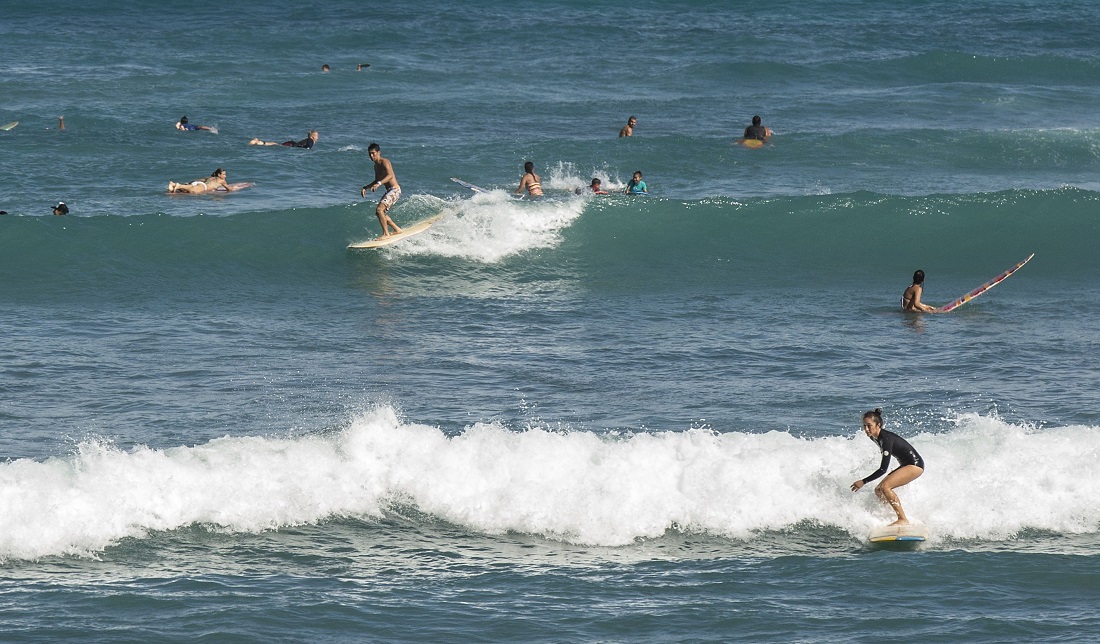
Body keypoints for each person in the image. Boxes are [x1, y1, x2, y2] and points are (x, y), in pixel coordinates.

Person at [850, 408, 924, 526]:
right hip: (906, 465)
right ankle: (890, 514)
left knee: (885, 487)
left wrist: (863, 481)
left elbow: (883, 469)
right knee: (878, 490)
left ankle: (902, 519)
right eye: (864, 425)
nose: (866, 429)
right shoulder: (873, 437)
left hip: (915, 465)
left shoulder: (886, 439)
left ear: (878, 425)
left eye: (869, 425)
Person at [361, 143, 403, 237]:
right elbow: (377, 180)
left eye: (373, 153)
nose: (371, 156)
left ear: (378, 152)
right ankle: (397, 229)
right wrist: (366, 187)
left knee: (380, 210)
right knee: (379, 212)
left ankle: (386, 234)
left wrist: (379, 184)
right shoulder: (376, 166)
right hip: (389, 191)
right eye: (369, 154)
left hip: (395, 190)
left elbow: (390, 175)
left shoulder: (385, 162)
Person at [167, 168, 236, 194]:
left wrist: (188, 183)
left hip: (198, 183)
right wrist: (234, 188)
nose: (225, 176)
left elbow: (199, 180)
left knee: (187, 190)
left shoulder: (210, 177)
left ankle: (173, 185)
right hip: (203, 186)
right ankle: (178, 185)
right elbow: (228, 189)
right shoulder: (222, 181)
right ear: (219, 175)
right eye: (224, 174)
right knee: (192, 191)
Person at [249, 130, 318, 148]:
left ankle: (259, 141)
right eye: (317, 136)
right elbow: (308, 146)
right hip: (291, 145)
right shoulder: (310, 140)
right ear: (312, 137)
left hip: (291, 143)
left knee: (276, 144)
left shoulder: (308, 140)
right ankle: (258, 142)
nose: (318, 138)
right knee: (276, 145)